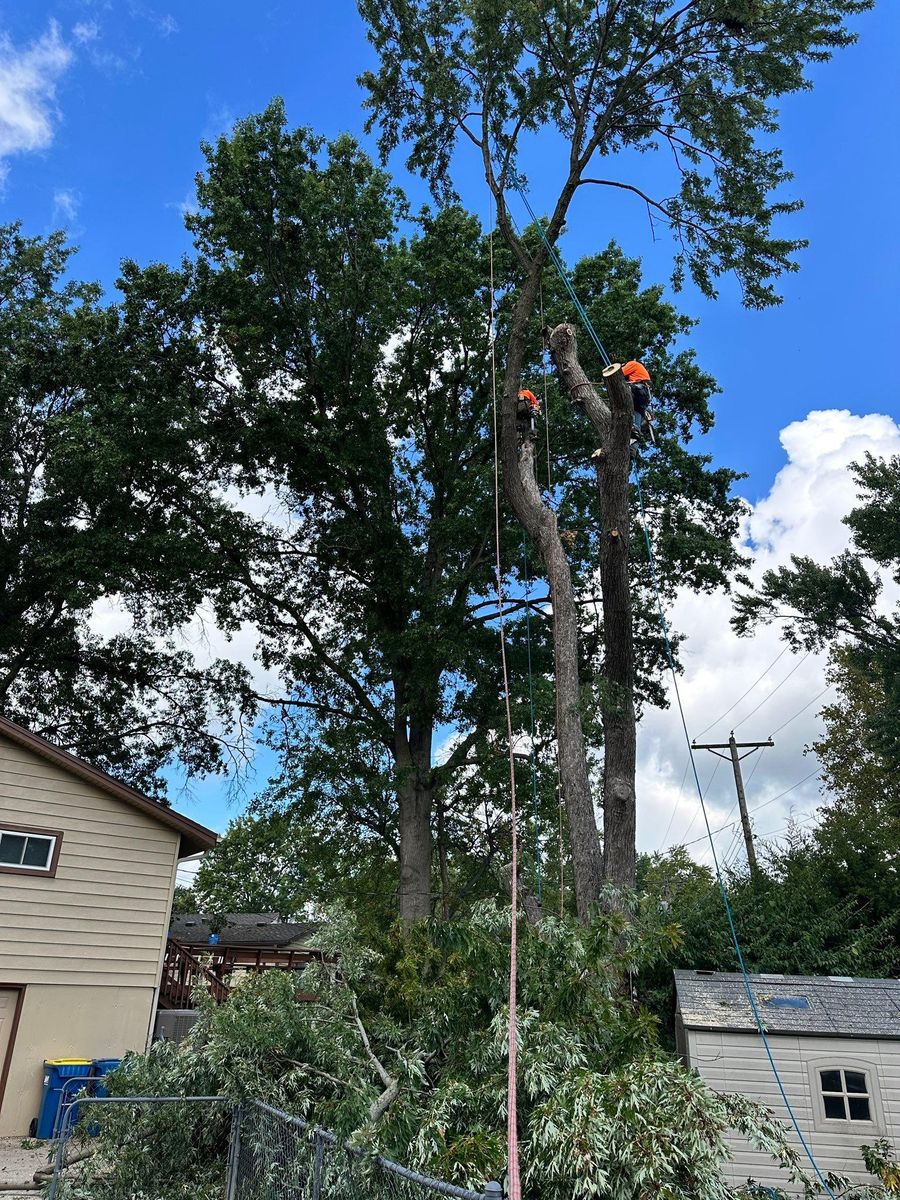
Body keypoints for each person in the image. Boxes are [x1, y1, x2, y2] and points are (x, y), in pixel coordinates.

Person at [621, 360, 652, 441]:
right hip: (643, 396)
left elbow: (620, 374)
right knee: (636, 416)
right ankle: (634, 436)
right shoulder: (639, 372)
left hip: (638, 389)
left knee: (623, 389)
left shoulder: (632, 364)